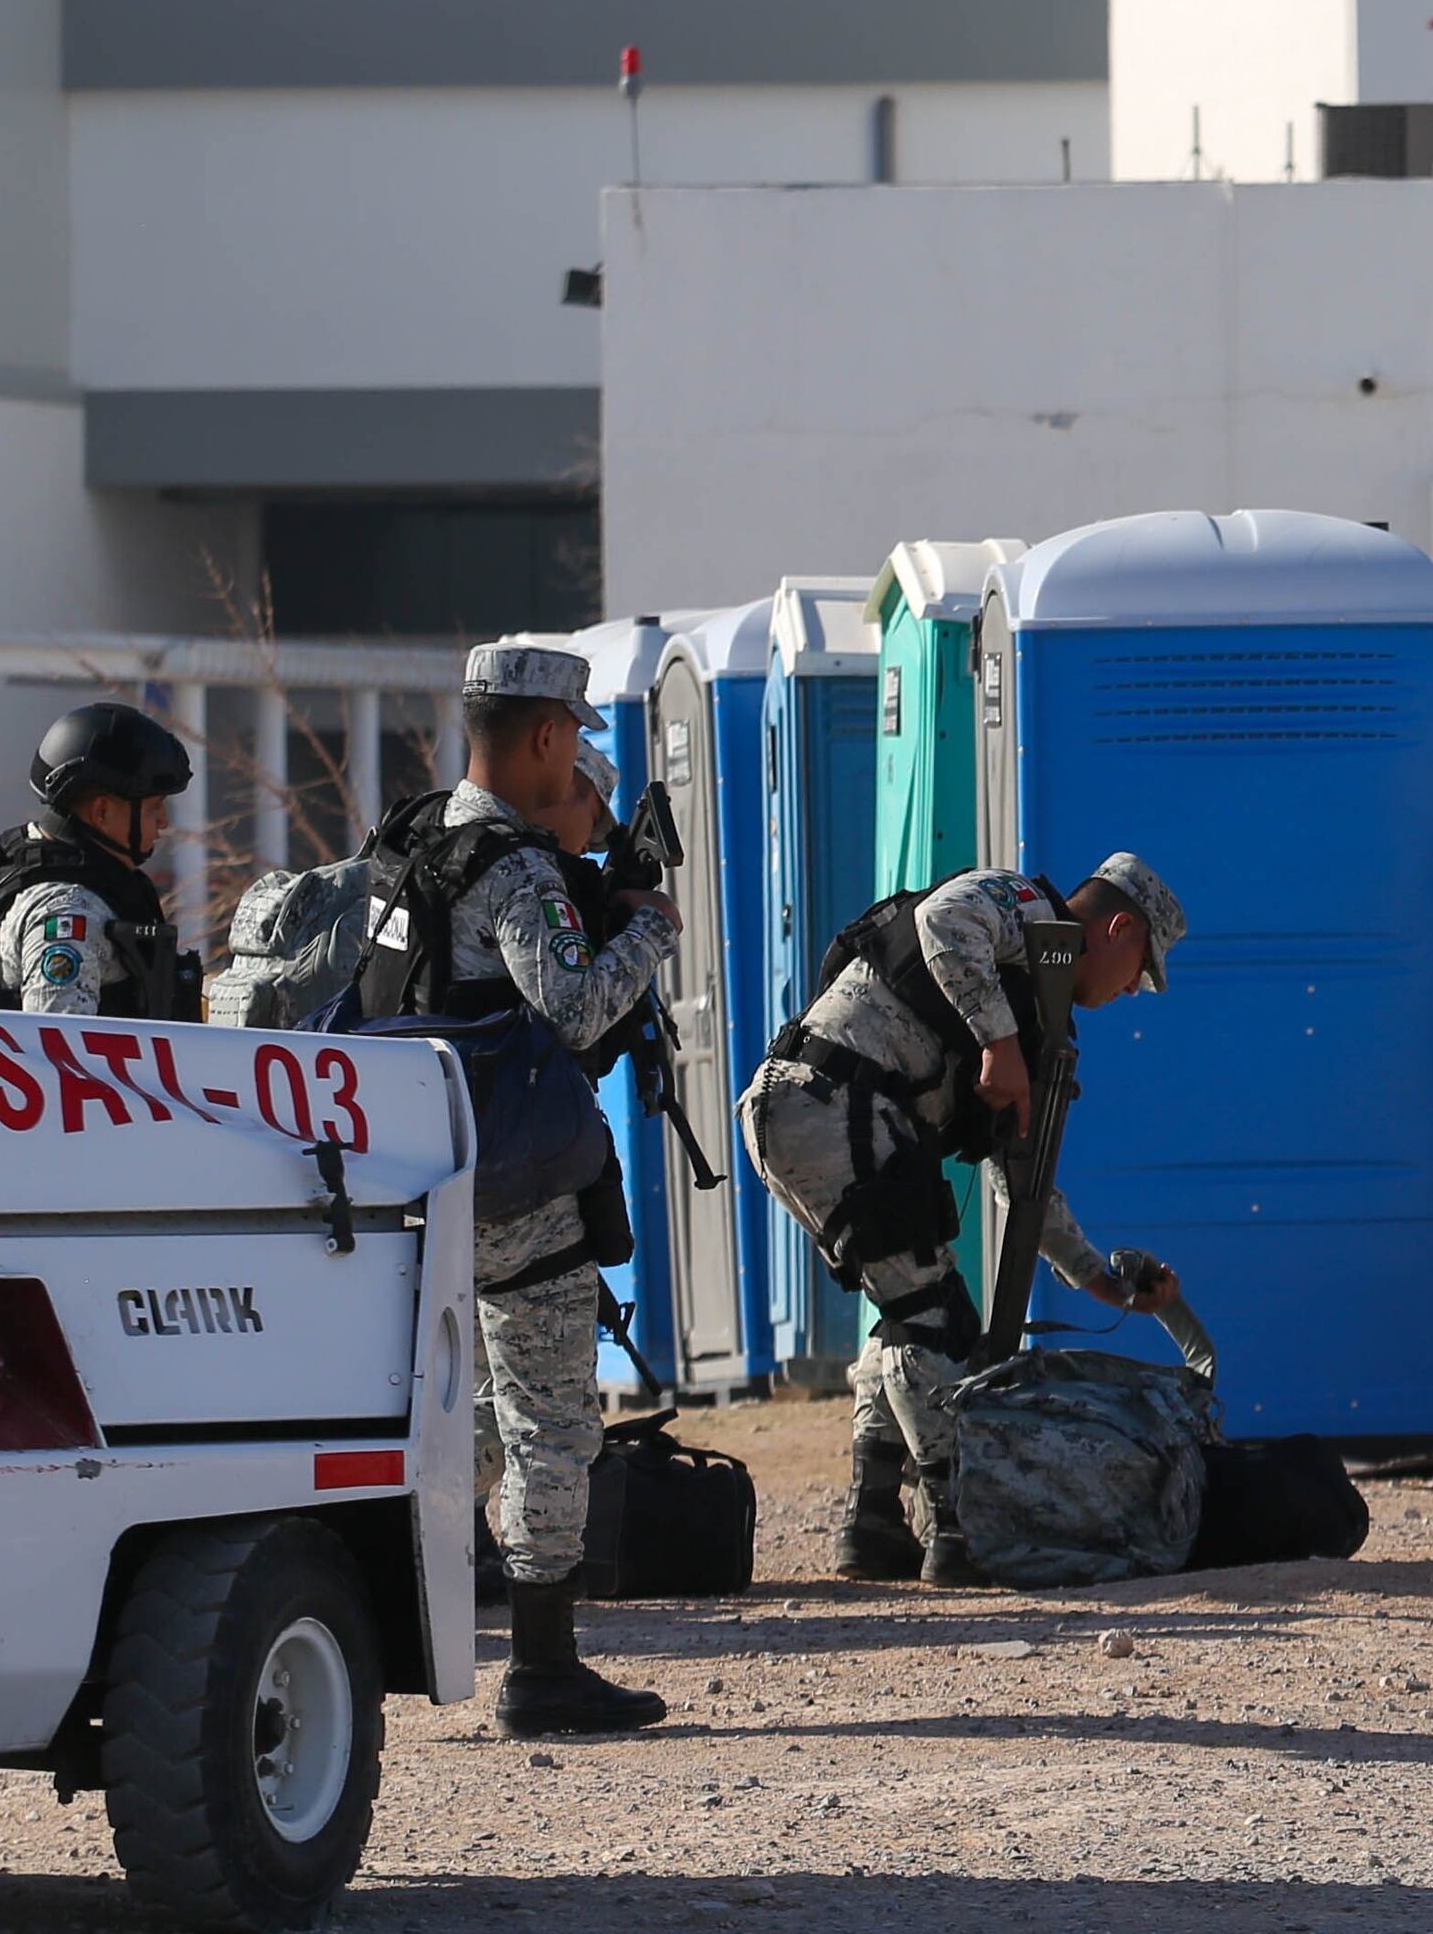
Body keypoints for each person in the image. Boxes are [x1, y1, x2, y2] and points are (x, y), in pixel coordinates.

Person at [379, 642, 688, 1736]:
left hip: (409, 1174)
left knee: (452, 1416)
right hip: (514, 1181)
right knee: (552, 1422)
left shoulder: (409, 840)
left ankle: (385, 1609)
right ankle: (545, 1670)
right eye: (576, 744)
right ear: (548, 736)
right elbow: (572, 1008)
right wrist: (649, 925)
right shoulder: (514, 867)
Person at [739, 847, 1191, 1582]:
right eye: (1142, 972)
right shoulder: (1025, 908)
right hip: (831, 1100)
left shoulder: (1036, 1002)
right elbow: (945, 916)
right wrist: (999, 1045)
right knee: (937, 1319)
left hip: (824, 1111)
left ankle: (876, 1518)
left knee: (911, 1306)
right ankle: (962, 1527)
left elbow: (1022, 1175)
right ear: (1119, 929)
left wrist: (1098, 1281)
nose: (1133, 990)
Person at [0, 702, 201, 1020]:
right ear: (101, 812)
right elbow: (60, 1050)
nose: (164, 822)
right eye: (153, 808)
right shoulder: (67, 910)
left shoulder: (44, 867)